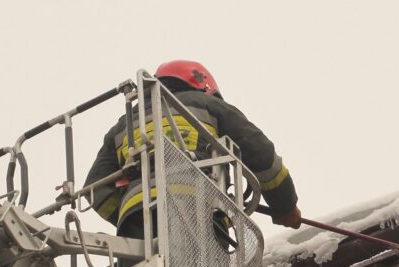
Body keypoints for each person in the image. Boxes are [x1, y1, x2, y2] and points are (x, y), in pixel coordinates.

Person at [85, 60, 301, 241]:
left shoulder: (125, 124)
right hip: (200, 211)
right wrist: (285, 207)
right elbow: (261, 155)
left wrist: (126, 212)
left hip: (137, 223)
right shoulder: (209, 105)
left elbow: (94, 188)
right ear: (203, 84)